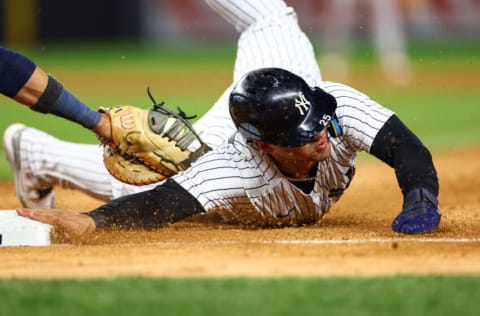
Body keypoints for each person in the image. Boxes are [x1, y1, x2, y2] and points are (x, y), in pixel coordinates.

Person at [9, 0, 440, 241]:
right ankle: (37, 153)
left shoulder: (331, 105)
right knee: (163, 175)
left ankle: (36, 151)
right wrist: (90, 222)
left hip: (284, 78)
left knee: (271, 16)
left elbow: (407, 148)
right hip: (244, 130)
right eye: (305, 135)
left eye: (319, 123)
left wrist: (420, 198)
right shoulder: (235, 168)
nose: (321, 135)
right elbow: (159, 206)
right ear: (266, 146)